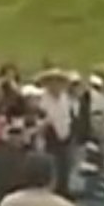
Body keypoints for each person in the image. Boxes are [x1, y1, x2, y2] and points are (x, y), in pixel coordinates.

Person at [36, 69, 74, 197]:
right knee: (52, 167)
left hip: (65, 137)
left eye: (58, 82)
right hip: (49, 138)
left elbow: (68, 117)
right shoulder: (42, 100)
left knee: (65, 167)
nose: (56, 85)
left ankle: (64, 190)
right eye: (52, 82)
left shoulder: (65, 98)